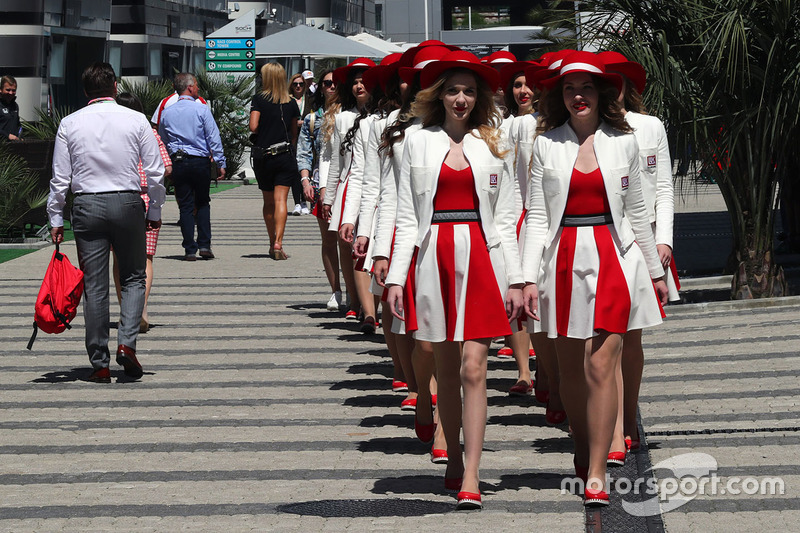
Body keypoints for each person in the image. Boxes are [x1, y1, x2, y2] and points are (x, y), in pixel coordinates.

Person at [521, 51, 668, 506]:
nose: (577, 96)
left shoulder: (624, 142)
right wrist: (526, 278)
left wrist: (656, 270)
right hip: (561, 259)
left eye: (585, 88)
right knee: (570, 372)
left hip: (614, 255)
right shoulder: (547, 144)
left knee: (603, 364)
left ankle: (599, 470)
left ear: (601, 94)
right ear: (559, 96)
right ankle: (583, 451)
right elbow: (536, 217)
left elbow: (639, 212)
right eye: (569, 89)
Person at [385, 50, 524, 511]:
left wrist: (517, 278)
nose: (460, 98)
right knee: (445, 370)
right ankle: (452, 456)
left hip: (483, 257)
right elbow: (406, 217)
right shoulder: (414, 142)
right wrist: (396, 277)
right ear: (437, 96)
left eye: (468, 91)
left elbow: (507, 218)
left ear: (478, 97)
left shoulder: (495, 144)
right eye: (452, 90)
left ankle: (471, 474)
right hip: (433, 258)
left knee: (473, 368)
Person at [47, 62, 165, 383]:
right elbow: (155, 172)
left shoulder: (70, 123)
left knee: (95, 287)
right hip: (127, 202)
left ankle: (99, 363)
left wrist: (56, 216)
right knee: (134, 277)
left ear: (85, 91)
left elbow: (60, 178)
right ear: (115, 87)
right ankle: (126, 342)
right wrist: (154, 210)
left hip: (86, 205)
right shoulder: (136, 119)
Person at [598, 50, 678, 464]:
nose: (611, 90)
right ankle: (610, 427)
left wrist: (664, 239)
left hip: (645, 244)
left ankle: (628, 419)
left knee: (633, 338)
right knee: (606, 339)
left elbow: (663, 186)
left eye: (616, 82)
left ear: (627, 86)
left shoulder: (651, 126)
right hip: (604, 243)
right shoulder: (587, 131)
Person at [321, 58, 376, 325]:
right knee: (348, 246)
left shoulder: (384, 117)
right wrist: (328, 195)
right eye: (354, 81)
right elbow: (335, 161)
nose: (359, 85)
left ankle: (371, 303)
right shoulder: (342, 118)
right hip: (349, 183)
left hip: (376, 188)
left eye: (363, 80)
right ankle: (355, 301)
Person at [112, 92, 172, 333]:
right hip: (147, 199)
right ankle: (142, 309)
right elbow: (167, 166)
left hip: (119, 197)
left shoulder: (112, 136)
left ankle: (127, 310)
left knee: (118, 258)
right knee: (145, 258)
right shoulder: (150, 133)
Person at [159, 72, 226, 261]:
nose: (197, 88)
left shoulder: (167, 112)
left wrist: (167, 164)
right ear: (189, 87)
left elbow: (162, 140)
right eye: (196, 85)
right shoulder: (202, 110)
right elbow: (213, 137)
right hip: (199, 162)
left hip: (178, 162)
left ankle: (189, 248)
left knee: (186, 206)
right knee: (203, 203)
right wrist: (220, 162)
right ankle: (204, 244)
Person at [297, 69, 342, 308]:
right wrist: (305, 181)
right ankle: (336, 290)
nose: (331, 87)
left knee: (350, 240)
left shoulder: (352, 115)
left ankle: (357, 291)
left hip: (347, 182)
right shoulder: (312, 119)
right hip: (319, 184)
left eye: (335, 83)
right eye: (327, 83)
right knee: (329, 239)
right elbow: (303, 153)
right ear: (320, 87)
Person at [249, 63, 301, 260]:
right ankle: (279, 241)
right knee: (282, 201)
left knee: (268, 202)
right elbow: (294, 133)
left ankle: (272, 242)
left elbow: (253, 126)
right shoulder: (291, 102)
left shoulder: (259, 99)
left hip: (265, 156)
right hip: (285, 155)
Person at [288, 72, 311, 216]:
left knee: (305, 170)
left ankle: (305, 202)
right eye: (295, 84)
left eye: (301, 84)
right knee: (294, 172)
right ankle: (297, 202)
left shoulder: (309, 100)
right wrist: (296, 123)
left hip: (308, 139)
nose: (298, 86)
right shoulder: (288, 100)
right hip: (292, 139)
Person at [0, 75, 20, 141]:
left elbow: (18, 124)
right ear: (1, 90)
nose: (11, 93)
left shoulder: (15, 106)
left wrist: (20, 136)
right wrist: (7, 135)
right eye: (8, 90)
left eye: (13, 90)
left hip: (13, 146)